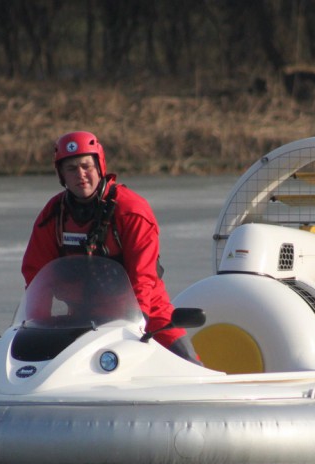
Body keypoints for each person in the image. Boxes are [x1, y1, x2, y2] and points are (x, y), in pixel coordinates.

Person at [21, 131, 200, 363]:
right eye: (71, 169)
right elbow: (36, 274)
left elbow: (142, 275)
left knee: (188, 364)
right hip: (82, 318)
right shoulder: (53, 215)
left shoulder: (131, 211)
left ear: (99, 167)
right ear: (61, 175)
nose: (81, 175)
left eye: (87, 166)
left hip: (145, 315)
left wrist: (139, 321)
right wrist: (38, 328)